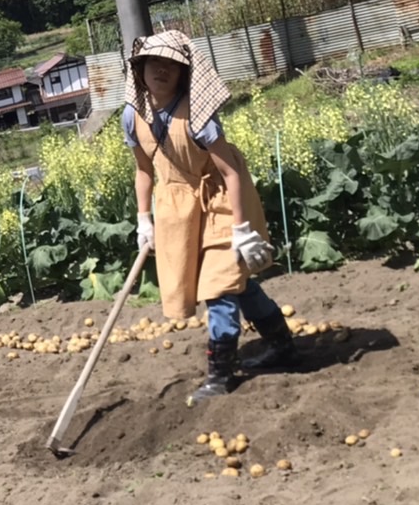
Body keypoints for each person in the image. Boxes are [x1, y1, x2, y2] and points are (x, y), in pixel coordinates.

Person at [122, 29, 296, 399]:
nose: (162, 70)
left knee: (218, 286)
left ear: (185, 74)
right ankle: (282, 342)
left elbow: (230, 172)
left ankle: (220, 374)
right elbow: (143, 170)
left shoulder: (198, 115)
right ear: (140, 69)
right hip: (177, 207)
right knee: (237, 283)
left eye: (172, 65)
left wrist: (242, 229)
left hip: (219, 199)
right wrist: (143, 219)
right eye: (155, 62)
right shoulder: (132, 116)